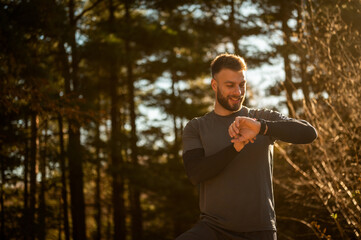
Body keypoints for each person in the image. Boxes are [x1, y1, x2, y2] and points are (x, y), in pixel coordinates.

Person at [176, 53, 317, 240]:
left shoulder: (261, 118)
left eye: (241, 84)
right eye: (230, 85)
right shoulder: (196, 127)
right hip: (213, 229)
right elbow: (196, 173)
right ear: (214, 85)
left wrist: (262, 127)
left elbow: (309, 133)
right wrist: (235, 147)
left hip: (259, 230)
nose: (238, 92)